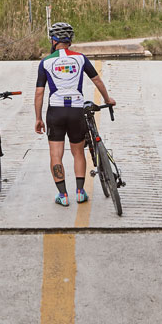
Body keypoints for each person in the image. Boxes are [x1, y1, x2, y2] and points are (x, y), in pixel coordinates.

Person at [33, 22, 116, 207]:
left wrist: (38, 118)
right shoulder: (80, 59)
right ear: (70, 40)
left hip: (55, 111)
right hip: (76, 109)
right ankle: (80, 192)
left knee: (56, 154)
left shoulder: (45, 62)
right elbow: (97, 80)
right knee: (78, 152)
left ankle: (63, 196)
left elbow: (39, 92)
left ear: (53, 40)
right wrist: (107, 99)